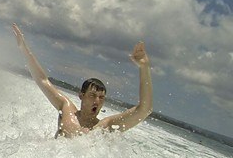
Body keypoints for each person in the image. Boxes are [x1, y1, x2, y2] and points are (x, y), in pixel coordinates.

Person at [11, 23, 153, 137]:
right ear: (81, 95)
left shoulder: (105, 127)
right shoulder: (66, 108)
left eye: (101, 97)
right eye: (92, 95)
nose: (97, 101)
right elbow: (42, 80)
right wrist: (23, 48)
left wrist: (144, 67)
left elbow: (144, 109)